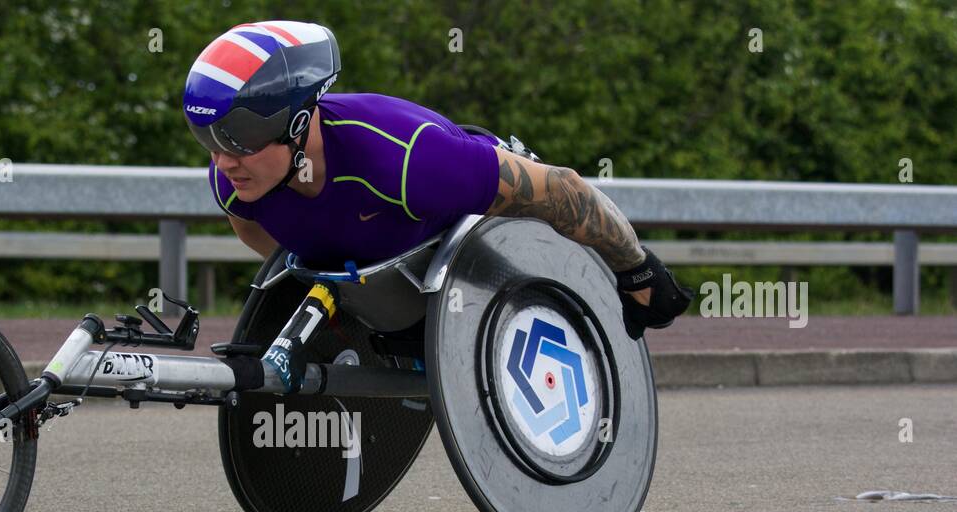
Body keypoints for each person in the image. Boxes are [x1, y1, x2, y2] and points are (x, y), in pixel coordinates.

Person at [183, 19, 693, 339]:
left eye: (239, 144)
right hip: (386, 268)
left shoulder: (408, 161)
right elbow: (265, 237)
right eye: (211, 142)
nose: (224, 163)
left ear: (297, 124)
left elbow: (563, 191)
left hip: (470, 218)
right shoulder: (237, 177)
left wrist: (636, 268)